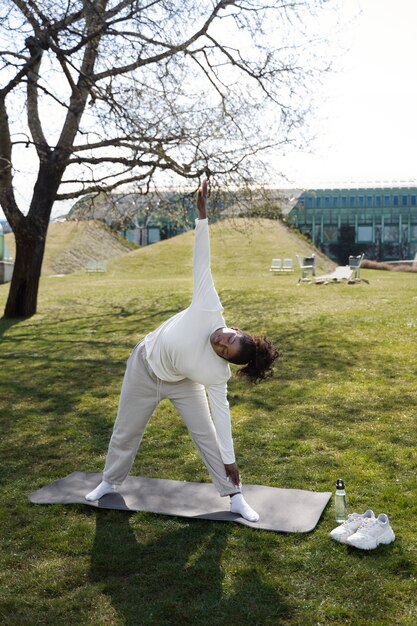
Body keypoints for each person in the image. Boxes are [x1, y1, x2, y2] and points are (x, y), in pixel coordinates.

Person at [86, 179, 279, 521]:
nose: (220, 344)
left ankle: (234, 496)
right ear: (234, 328)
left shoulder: (216, 375)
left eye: (224, 352)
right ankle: (109, 482)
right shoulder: (209, 306)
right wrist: (202, 216)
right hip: (144, 366)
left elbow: (222, 418)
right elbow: (202, 260)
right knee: (126, 430)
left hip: (184, 382)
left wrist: (230, 458)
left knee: (206, 436)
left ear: (227, 363)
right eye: (227, 339)